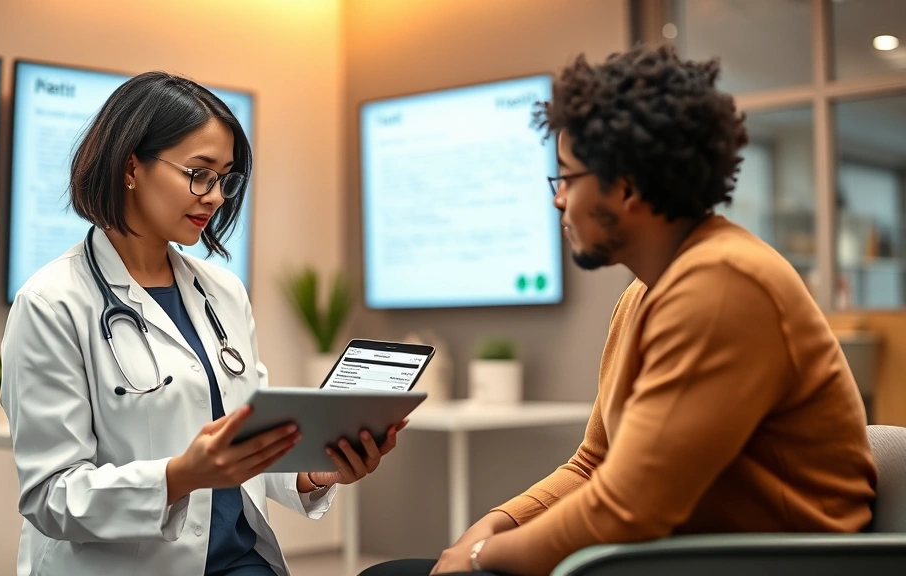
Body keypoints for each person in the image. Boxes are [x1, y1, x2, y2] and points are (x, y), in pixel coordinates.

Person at [362, 44, 877, 576]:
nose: (558, 199)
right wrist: (493, 526)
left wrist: (478, 557)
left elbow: (625, 511)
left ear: (626, 188)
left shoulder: (722, 283)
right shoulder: (646, 292)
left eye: (567, 177)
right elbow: (594, 464)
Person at [1, 71, 403, 576]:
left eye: (225, 178)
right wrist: (178, 476)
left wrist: (313, 473)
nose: (215, 197)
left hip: (240, 561)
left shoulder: (223, 292)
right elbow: (50, 496)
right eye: (199, 173)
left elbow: (253, 445)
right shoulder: (51, 302)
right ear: (131, 166)